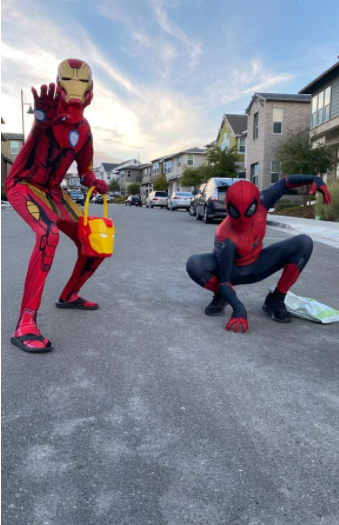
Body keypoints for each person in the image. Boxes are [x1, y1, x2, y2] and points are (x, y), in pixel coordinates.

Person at [6, 59, 108, 353]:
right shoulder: (48, 118)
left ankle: (69, 294)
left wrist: (94, 181)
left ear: (90, 93)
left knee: (96, 242)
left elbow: (85, 169)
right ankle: (25, 322)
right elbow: (29, 148)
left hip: (54, 191)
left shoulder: (85, 131)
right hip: (24, 184)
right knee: (47, 235)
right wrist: (39, 122)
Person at [186, 176, 332, 333]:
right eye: (235, 212)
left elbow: (285, 182)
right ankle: (222, 296)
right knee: (195, 264)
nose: (242, 220)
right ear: (228, 207)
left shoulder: (263, 201)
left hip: (259, 264)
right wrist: (239, 309)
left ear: (256, 203)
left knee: (304, 242)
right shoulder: (225, 235)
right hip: (232, 271)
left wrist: (314, 178)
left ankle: (276, 299)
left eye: (249, 211)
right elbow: (224, 281)